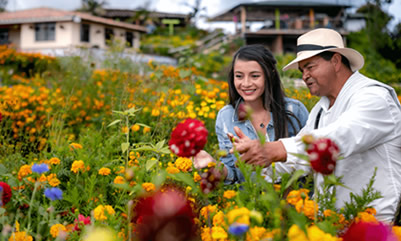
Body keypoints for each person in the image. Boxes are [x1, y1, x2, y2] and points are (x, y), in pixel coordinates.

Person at [232, 28, 401, 222]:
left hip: (373, 226)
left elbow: (339, 137)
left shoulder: (373, 97)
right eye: (302, 70)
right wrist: (254, 160)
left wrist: (276, 149)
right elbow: (296, 157)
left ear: (336, 61)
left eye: (310, 67)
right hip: (332, 223)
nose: (305, 76)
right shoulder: (321, 109)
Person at [194, 44, 309, 184]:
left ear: (270, 75)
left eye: (254, 76)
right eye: (239, 76)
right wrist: (213, 166)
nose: (246, 83)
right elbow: (233, 174)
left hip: (294, 201)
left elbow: (310, 157)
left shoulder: (294, 110)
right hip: (250, 201)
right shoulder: (226, 116)